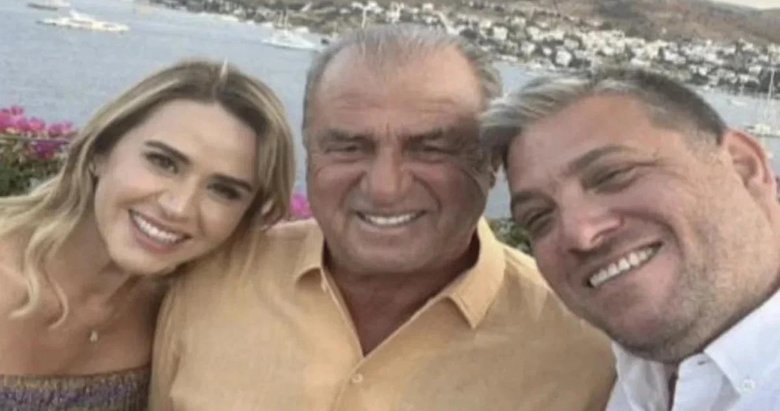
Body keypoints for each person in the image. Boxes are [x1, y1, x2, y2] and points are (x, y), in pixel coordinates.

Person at [149, 25, 614, 411]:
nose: (384, 187)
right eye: (349, 147)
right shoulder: (208, 283)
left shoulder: (589, 353)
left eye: (431, 149)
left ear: (491, 162)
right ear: (310, 151)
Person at [0, 59, 295, 410]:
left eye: (223, 190)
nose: (179, 207)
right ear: (100, 151)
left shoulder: (181, 313)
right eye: (163, 162)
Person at [481, 66, 780, 410]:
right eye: (538, 217)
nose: (580, 234)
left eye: (613, 175)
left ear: (743, 166)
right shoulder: (618, 379)